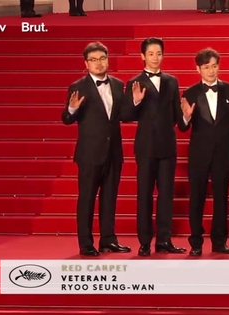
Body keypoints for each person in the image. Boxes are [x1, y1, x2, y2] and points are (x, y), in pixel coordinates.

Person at [61, 41, 131, 256]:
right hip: (90, 154)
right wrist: (72, 108)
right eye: (94, 60)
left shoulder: (119, 85)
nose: (99, 64)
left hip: (113, 153)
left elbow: (124, 116)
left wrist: (135, 103)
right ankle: (86, 243)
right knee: (87, 199)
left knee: (110, 198)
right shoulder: (78, 87)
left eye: (102, 59)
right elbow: (66, 119)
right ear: (86, 63)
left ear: (107, 60)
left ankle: (108, 239)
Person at [123, 37, 187, 257]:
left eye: (159, 53)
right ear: (143, 56)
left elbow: (179, 117)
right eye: (151, 54)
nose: (155, 58)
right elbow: (125, 116)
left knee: (166, 195)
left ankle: (164, 240)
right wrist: (136, 101)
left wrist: (186, 117)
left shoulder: (172, 81)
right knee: (145, 195)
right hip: (146, 147)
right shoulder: (134, 83)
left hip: (168, 146)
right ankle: (144, 242)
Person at [179, 48, 229, 256]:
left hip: (224, 153)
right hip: (198, 154)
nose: (211, 71)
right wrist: (187, 117)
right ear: (198, 68)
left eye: (214, 66)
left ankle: (219, 241)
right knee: (196, 198)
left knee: (221, 198)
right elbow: (182, 126)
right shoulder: (189, 93)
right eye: (206, 67)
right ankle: (196, 242)